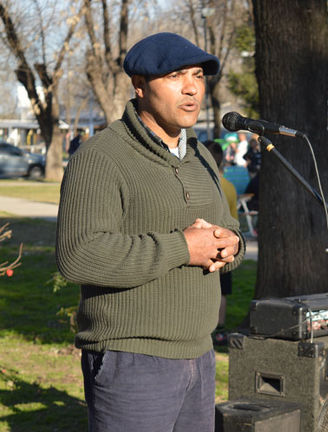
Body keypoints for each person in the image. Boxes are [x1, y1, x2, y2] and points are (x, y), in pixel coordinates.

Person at [55, 32, 245, 431]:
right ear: (139, 86)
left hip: (200, 354)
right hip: (132, 360)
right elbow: (79, 255)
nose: (192, 87)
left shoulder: (201, 157)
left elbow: (228, 228)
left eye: (198, 75)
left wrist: (233, 245)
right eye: (176, 76)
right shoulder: (101, 157)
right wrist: (182, 247)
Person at [204, 141, 238, 345]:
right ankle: (221, 328)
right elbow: (234, 218)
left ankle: (210, 327)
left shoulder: (204, 184)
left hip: (207, 243)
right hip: (225, 242)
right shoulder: (229, 187)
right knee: (222, 291)